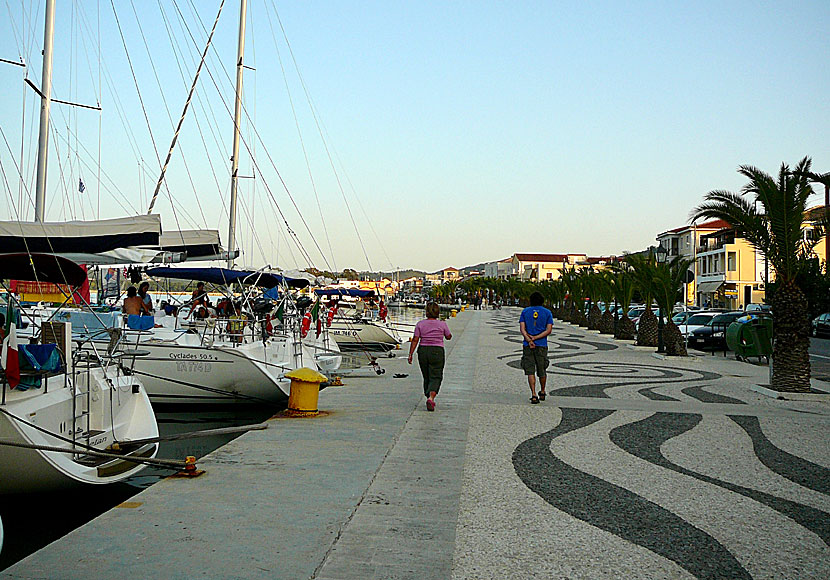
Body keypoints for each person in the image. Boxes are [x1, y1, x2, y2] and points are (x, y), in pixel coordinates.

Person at [408, 302, 452, 411]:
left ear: (426, 312)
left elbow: (415, 340)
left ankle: (428, 397)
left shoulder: (420, 324)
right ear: (437, 312)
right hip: (437, 351)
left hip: (423, 351)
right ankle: (431, 398)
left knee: (426, 375)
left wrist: (410, 354)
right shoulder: (442, 324)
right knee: (436, 375)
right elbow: (448, 336)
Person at [519, 291, 553, 404]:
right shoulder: (547, 313)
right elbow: (548, 330)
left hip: (527, 345)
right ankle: (542, 391)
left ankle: (533, 394)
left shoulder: (525, 311)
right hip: (542, 344)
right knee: (541, 369)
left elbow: (522, 329)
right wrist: (536, 338)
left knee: (530, 371)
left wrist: (529, 340)